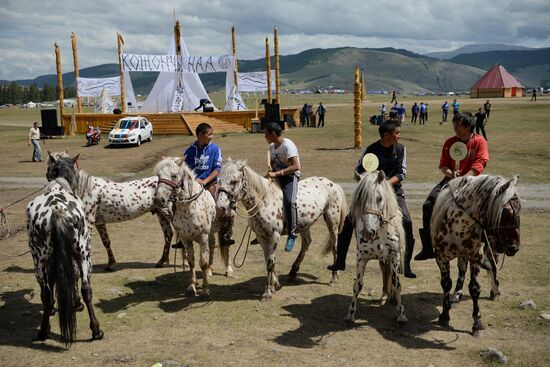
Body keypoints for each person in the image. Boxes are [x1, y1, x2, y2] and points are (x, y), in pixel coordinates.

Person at [327, 120, 417, 278]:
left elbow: (401, 173)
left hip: (393, 190)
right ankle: (340, 260)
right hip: (370, 192)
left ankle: (406, 265)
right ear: (386, 135)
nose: (399, 136)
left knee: (408, 222)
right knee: (349, 220)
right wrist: (368, 182)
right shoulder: (371, 150)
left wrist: (385, 185)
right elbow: (359, 169)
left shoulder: (401, 149)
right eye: (397, 133)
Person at [414, 112, 489, 260]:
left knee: (488, 208)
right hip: (450, 180)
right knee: (428, 205)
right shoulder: (450, 142)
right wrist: (451, 174)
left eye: (458, 125)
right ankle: (428, 247)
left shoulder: (479, 142)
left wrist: (464, 178)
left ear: (469, 126)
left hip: (473, 182)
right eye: (454, 125)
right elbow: (443, 165)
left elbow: (480, 163)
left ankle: (490, 245)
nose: (455, 128)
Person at [184, 122, 234, 246]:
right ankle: (181, 236)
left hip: (210, 183)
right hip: (193, 184)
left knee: (223, 207)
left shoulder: (215, 148)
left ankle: (225, 234)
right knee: (178, 206)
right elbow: (185, 170)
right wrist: (194, 181)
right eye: (209, 134)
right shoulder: (190, 151)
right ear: (200, 135)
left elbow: (217, 169)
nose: (211, 136)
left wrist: (205, 181)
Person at [264, 122, 301, 252]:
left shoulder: (288, 145)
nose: (264, 136)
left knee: (290, 201)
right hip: (277, 176)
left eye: (266, 134)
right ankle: (264, 229)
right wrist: (270, 171)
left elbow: (296, 166)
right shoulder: (272, 147)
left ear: (273, 134)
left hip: (290, 177)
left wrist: (276, 173)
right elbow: (273, 162)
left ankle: (292, 233)